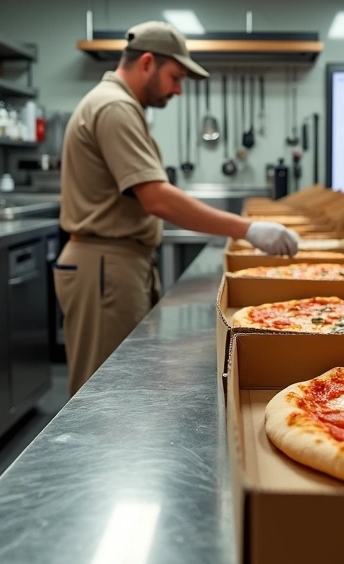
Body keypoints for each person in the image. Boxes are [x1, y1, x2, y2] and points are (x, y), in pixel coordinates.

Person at [54, 21, 299, 396]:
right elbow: (157, 197)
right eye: (175, 76)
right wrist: (247, 229)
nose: (178, 89)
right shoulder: (115, 106)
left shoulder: (119, 105)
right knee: (103, 393)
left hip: (114, 262)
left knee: (123, 385)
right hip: (104, 265)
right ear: (148, 62)